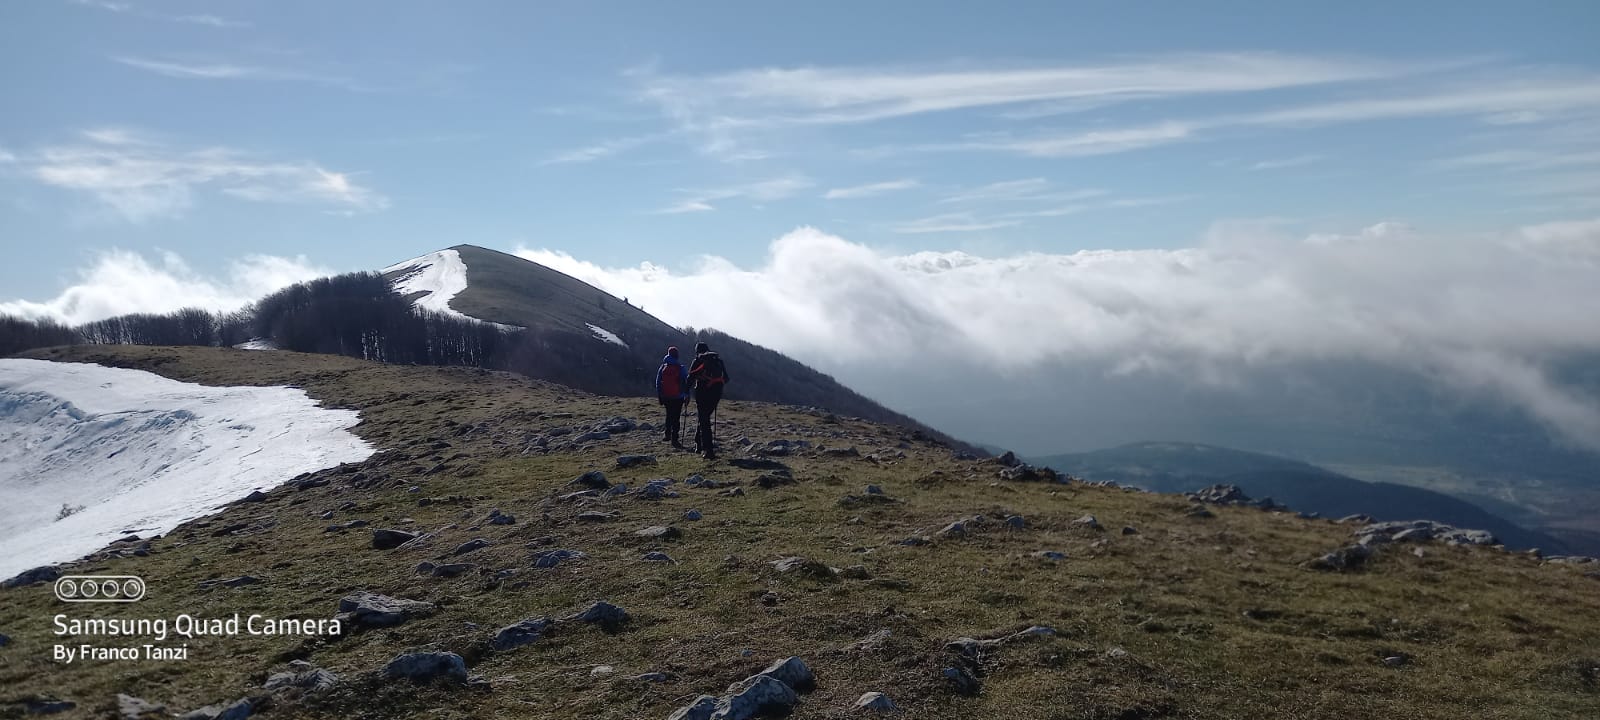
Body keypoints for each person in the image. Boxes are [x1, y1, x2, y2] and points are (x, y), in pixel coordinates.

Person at [687, 341, 730, 459]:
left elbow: (690, 378)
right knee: (704, 418)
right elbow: (726, 378)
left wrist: (685, 391)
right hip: (716, 394)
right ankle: (699, 444)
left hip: (702, 393)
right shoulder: (718, 361)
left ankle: (708, 450)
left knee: (704, 420)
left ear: (697, 351)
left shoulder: (698, 361)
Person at [654, 346, 689, 448]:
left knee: (669, 414)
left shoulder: (663, 367)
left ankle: (667, 434)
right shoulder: (681, 368)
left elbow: (658, 382)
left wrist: (660, 394)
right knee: (676, 418)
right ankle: (675, 439)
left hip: (666, 396)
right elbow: (686, 382)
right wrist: (687, 395)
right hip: (678, 396)